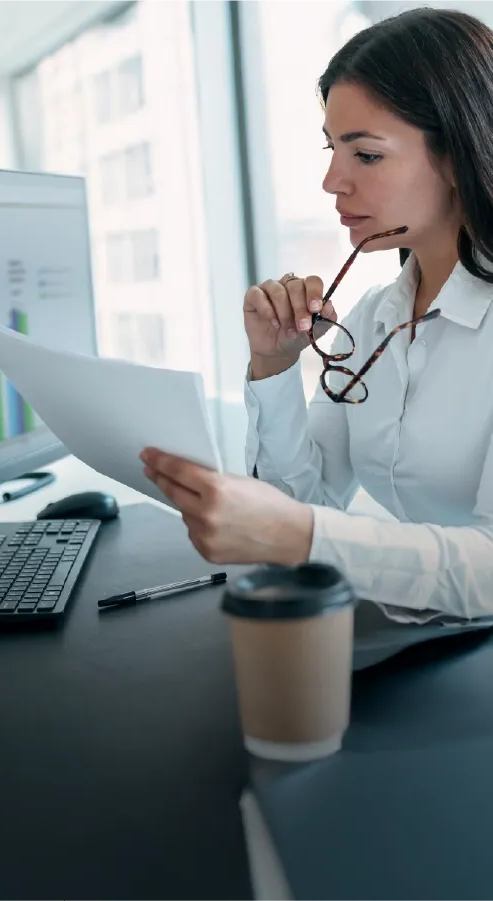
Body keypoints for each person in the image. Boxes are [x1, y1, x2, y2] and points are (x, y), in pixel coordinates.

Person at [140, 7, 493, 624]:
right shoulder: (376, 315)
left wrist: (300, 535)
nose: (332, 181)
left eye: (367, 155)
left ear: (457, 155)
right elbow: (299, 507)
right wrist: (273, 365)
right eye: (333, 149)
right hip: (425, 636)